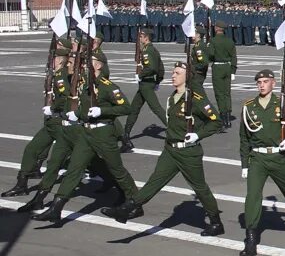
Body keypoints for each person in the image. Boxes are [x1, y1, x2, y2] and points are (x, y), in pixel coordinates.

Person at [102, 62, 225, 235]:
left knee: (200, 188)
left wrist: (198, 135)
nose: (173, 75)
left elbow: (216, 121)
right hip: (170, 150)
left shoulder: (196, 99)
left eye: (177, 73)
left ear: (186, 77)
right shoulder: (172, 97)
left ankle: (216, 222)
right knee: (154, 182)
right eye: (173, 72)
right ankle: (126, 209)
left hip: (188, 152)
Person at [28, 56, 138, 224]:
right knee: (74, 169)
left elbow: (126, 108)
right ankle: (56, 208)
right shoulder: (88, 85)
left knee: (117, 170)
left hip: (103, 134)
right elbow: (84, 108)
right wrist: (77, 114)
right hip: (87, 134)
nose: (86, 66)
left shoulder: (108, 87)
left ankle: (134, 201)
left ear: (99, 65)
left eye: (90, 63)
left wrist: (102, 111)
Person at [238, 69, 285, 256]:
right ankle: (251, 240)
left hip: (279, 157)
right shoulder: (249, 106)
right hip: (257, 158)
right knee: (252, 196)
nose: (261, 85)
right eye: (259, 82)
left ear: (273, 83)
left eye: (265, 81)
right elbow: (244, 138)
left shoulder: (283, 103)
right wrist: (244, 164)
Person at [3, 47, 69, 198]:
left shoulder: (61, 77)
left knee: (81, 157)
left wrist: (52, 107)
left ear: (59, 60)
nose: (51, 60)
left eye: (53, 58)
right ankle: (21, 184)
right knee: (32, 149)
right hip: (52, 122)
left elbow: (65, 98)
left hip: (61, 122)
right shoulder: (55, 75)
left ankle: (115, 182)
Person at [121, 27, 167, 149]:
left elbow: (151, 68)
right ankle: (125, 134)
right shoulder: (154, 50)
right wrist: (158, 81)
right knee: (134, 109)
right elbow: (161, 68)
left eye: (141, 36)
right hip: (147, 83)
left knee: (156, 108)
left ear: (146, 38)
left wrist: (140, 74)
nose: (140, 38)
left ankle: (175, 131)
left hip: (146, 84)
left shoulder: (147, 51)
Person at [207, 20, 238, 129]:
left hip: (218, 67)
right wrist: (233, 70)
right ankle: (228, 116)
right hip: (228, 67)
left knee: (219, 93)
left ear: (217, 29)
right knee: (227, 93)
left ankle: (223, 117)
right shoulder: (229, 41)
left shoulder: (213, 41)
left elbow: (210, 55)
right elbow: (234, 56)